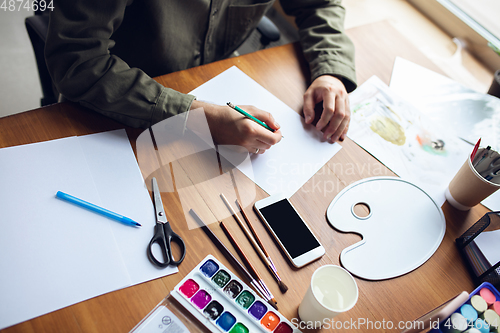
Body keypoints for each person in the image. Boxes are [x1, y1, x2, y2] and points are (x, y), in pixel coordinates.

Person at [45, 0, 357, 155]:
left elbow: (320, 4)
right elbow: (77, 59)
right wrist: (196, 117)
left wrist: (330, 70)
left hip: (213, 95)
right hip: (112, 111)